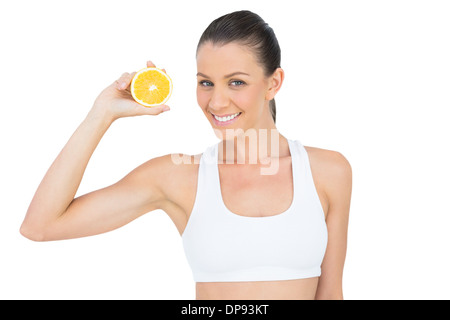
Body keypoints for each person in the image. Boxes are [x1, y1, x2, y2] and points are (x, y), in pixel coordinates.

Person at [20, 10, 352, 300]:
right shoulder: (177, 177)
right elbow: (41, 226)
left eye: (236, 82)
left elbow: (331, 294)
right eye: (206, 83)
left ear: (273, 83)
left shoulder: (328, 172)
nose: (217, 102)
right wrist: (101, 114)